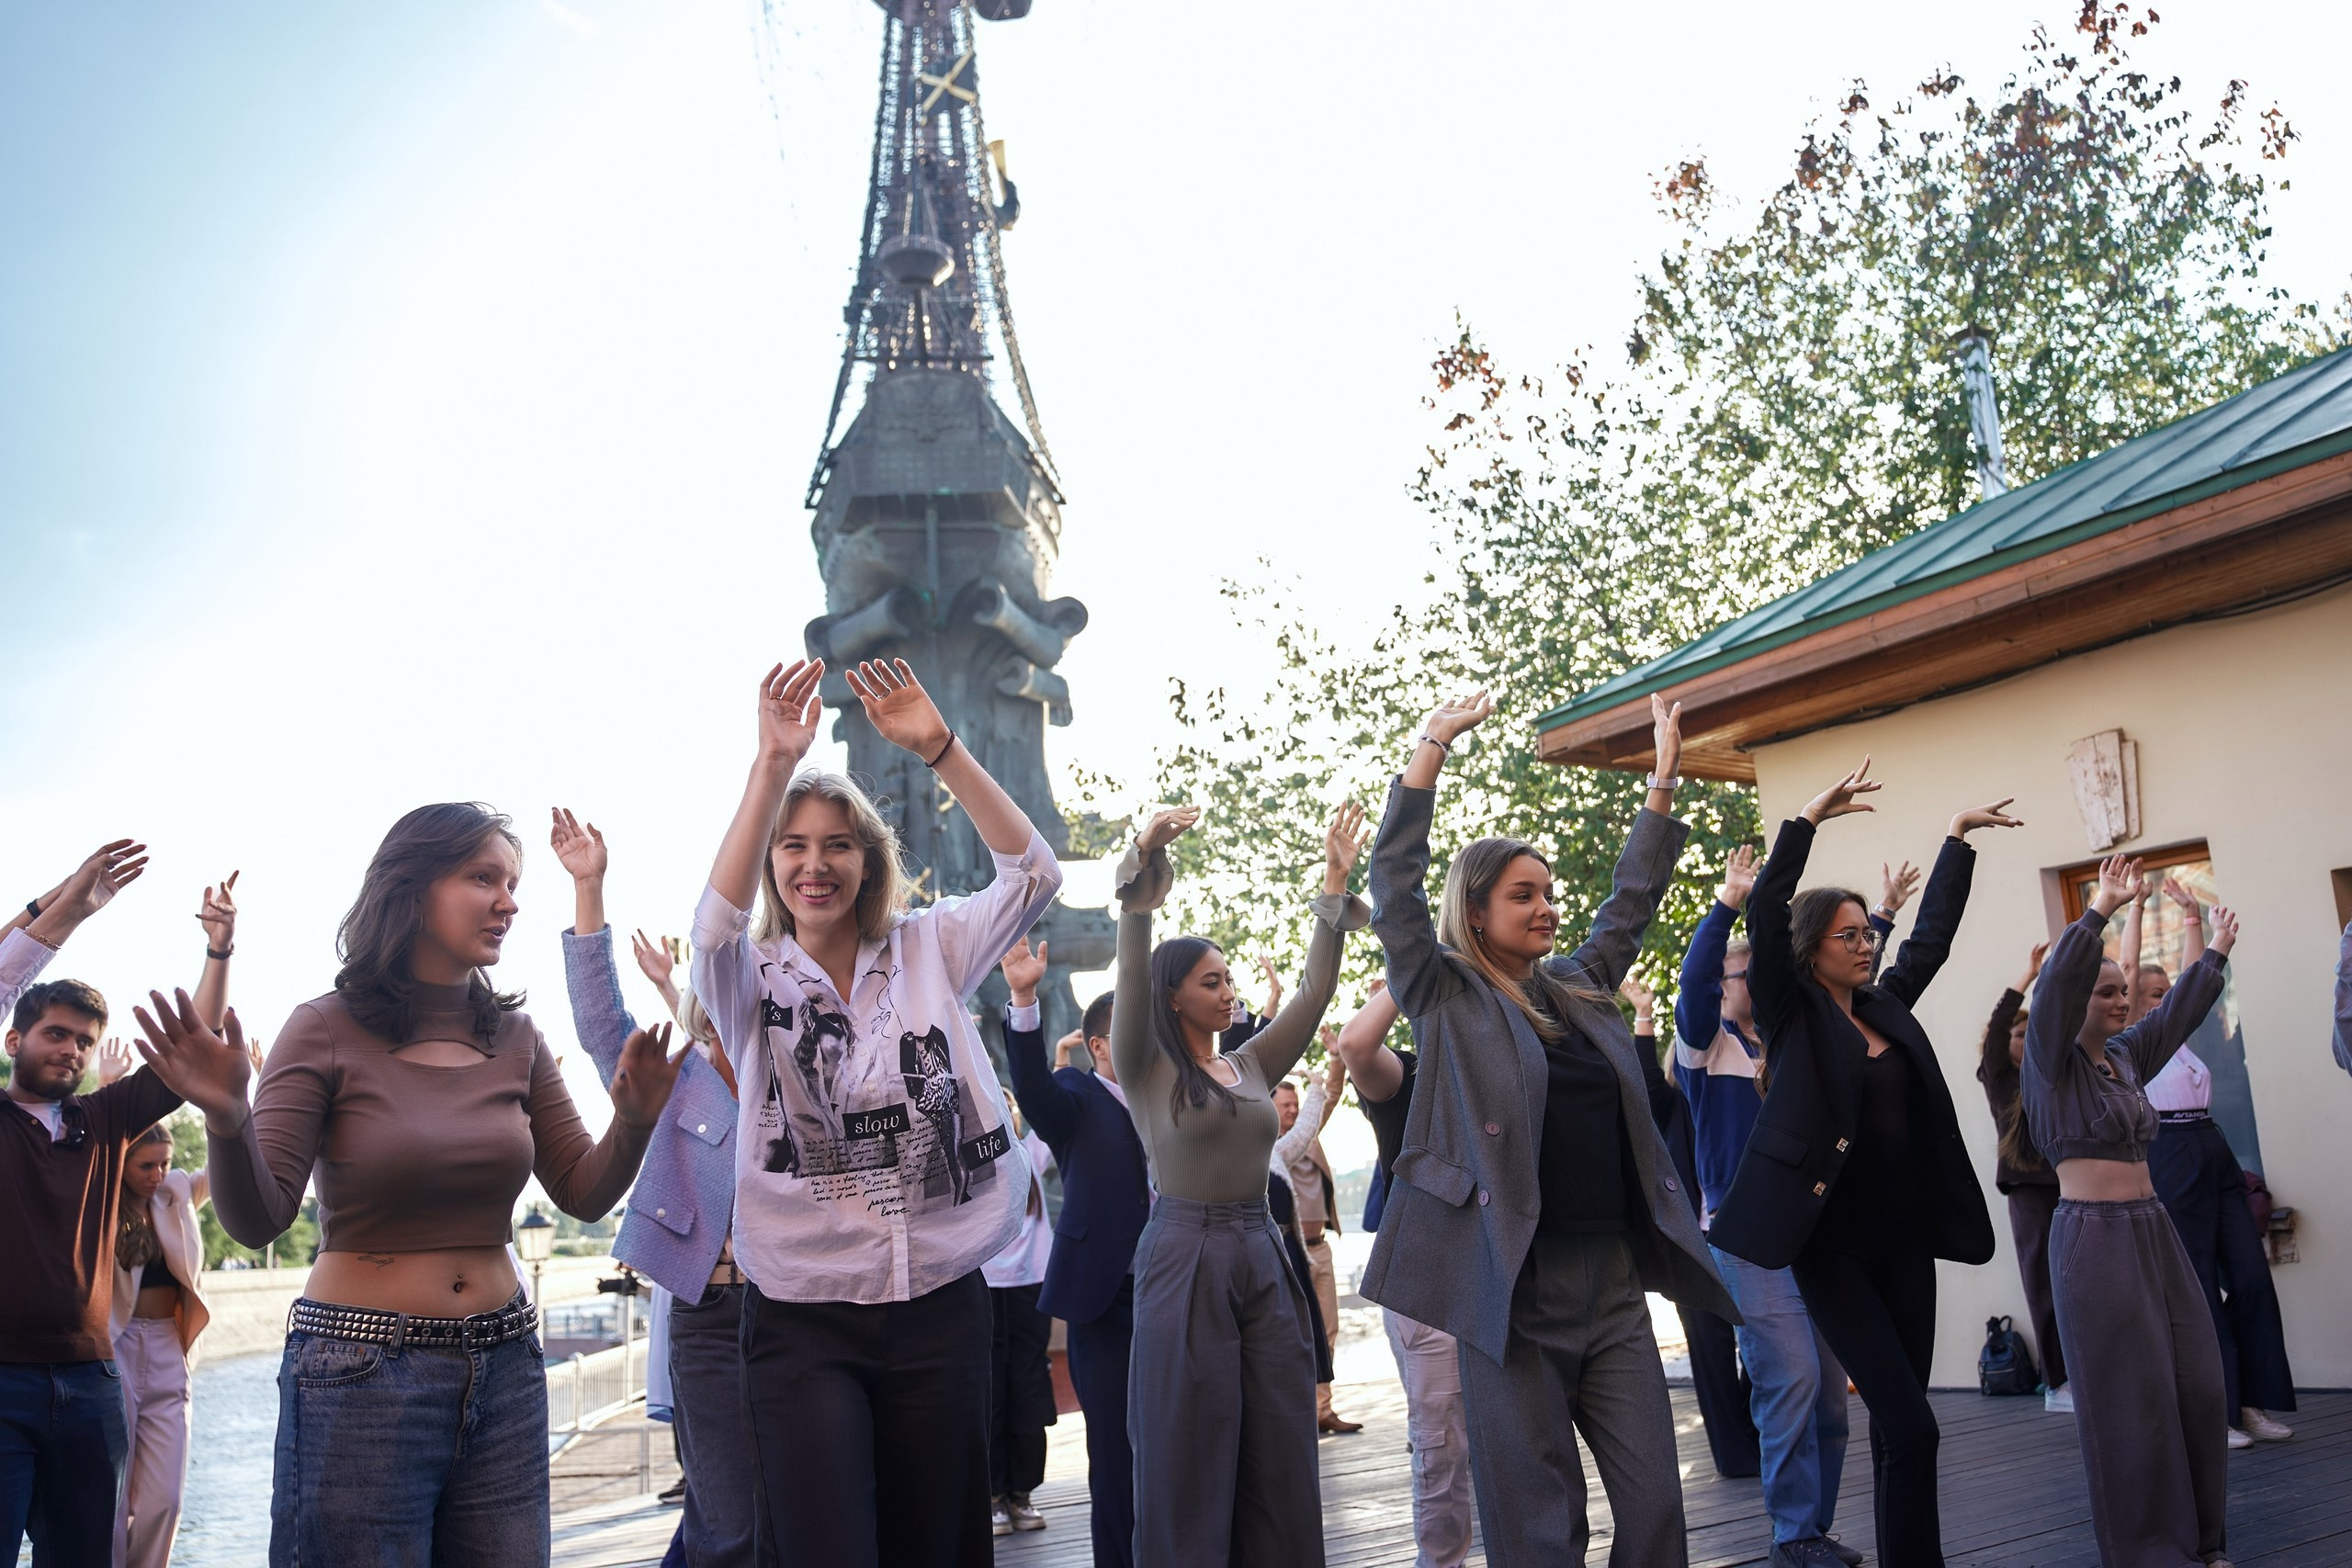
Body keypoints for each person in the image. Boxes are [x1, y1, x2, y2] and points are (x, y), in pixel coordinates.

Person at [134, 802, 684, 1568]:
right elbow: (259, 1219)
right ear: (412, 888)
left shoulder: (517, 1037)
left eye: (513, 883)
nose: (509, 901)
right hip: (360, 1376)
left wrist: (633, 1120)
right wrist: (228, 1116)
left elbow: (583, 1193)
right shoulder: (321, 1027)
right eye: (483, 878)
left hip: (506, 1368)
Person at [689, 658, 1061, 1568]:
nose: (815, 864)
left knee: (940, 1545)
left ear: (869, 860)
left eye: (838, 844)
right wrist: (772, 767)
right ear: (771, 865)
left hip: (939, 1300)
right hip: (803, 1314)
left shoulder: (932, 946)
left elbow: (1033, 875)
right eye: (793, 847)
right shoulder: (745, 980)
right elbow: (712, 928)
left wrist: (940, 747)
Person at [1362, 691, 1737, 1568]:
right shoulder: (1444, 996)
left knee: (1657, 1505)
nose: (1546, 908)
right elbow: (1394, 887)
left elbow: (1630, 903)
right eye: (1523, 894)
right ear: (1476, 910)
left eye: (1549, 894)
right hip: (1511, 1290)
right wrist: (1432, 745)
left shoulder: (1577, 985)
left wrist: (1664, 780)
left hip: (1611, 1284)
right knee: (1540, 1525)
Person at [1709, 759, 2012, 1568]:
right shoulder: (1792, 1015)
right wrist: (1806, 820)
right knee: (1915, 1425)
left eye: (1867, 933)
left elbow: (1931, 937)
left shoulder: (1885, 1004)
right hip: (1834, 1252)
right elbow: (1767, 909)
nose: (1866, 944)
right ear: (1812, 949)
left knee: (1899, 1429)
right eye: (1849, 935)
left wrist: (1956, 840)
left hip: (1906, 1243)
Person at [1111, 798, 1369, 1568]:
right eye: (1211, 981)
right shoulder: (1145, 1065)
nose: (1229, 992)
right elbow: (1133, 962)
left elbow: (1314, 992)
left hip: (1263, 1250)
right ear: (1174, 995)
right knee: (1187, 1457)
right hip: (1184, 1255)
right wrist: (1141, 872)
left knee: (1281, 1452)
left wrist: (1332, 882)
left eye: (1228, 979)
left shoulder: (1251, 1062)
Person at [549, 807, 768, 1568]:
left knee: (797, 1511)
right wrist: (589, 887)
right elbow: (599, 1022)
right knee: (729, 1517)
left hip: (800, 1312)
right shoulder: (678, 1078)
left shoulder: (797, 1068)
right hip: (709, 1316)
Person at [2023, 853, 2238, 1568]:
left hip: (2153, 1229)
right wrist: (2098, 912)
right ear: (2075, 997)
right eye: (2106, 991)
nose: (2120, 1001)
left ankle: (2204, 1540)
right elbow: (2055, 988)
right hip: (2094, 1240)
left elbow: (2174, 1013)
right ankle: (2151, 1552)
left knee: (2199, 1385)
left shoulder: (2124, 1055)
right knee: (2129, 1402)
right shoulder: (2050, 1065)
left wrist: (2214, 951)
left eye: (2124, 990)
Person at [1674, 847, 1854, 1568]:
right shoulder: (1703, 1048)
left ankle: (1816, 1529)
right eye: (1739, 971)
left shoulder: (1783, 1044)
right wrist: (1727, 905)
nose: (1750, 979)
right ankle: (1792, 1534)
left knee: (1833, 1396)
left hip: (1812, 1236)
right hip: (1745, 1240)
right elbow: (1693, 980)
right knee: (1792, 1379)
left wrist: (1881, 918)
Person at [0, 840, 162, 1567]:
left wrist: (218, 950)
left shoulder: (98, 1121)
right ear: (14, 1039)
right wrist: (64, 909)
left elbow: (189, 1059)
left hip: (91, 1383)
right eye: (54, 1033)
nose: (70, 1048)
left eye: (82, 1040)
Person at [1000, 951, 1148, 1568]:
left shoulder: (1172, 1096)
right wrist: (1024, 1000)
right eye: (1132, 1032)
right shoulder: (1075, 1095)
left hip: (1176, 1288)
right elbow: (1033, 1089)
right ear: (1098, 1045)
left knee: (1181, 1440)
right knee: (1114, 1449)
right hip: (1104, 1297)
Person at [2135, 889, 2296, 1450]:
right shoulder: (2131, 1047)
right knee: (2199, 1284)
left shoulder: (2176, 1039)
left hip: (2211, 1147)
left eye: (2167, 992)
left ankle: (2250, 1401)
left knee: (2251, 1278)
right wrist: (2136, 909)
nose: (2166, 998)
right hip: (2170, 1151)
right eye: (2154, 993)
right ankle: (2217, 1414)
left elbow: (2193, 984)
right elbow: (2146, 976)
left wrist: (2189, 920)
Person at [1331, 980, 1472, 1568]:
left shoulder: (1502, 1070)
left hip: (1503, 1278)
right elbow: (1355, 1045)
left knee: (1512, 1436)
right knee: (1442, 1443)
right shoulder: (1406, 1076)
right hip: (1426, 1288)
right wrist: (1408, 975)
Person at [1974, 942, 2070, 1415]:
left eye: (2031, 1031)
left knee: (2080, 1282)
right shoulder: (1999, 1076)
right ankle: (2057, 1383)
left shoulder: (2050, 1077)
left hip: (2072, 1184)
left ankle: (2088, 1374)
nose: (2025, 1038)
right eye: (2019, 1032)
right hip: (2030, 1189)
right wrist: (2027, 977)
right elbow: (1996, 1030)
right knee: (2044, 1284)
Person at [1272, 1048, 1361, 1434]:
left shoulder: (1306, 1139)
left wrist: (1335, 1059)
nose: (1293, 1110)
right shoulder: (1263, 1148)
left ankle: (1321, 1407)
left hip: (1319, 1248)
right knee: (1290, 1335)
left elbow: (1329, 1096)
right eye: (1285, 1105)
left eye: (1296, 1104)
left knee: (1326, 1331)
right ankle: (1296, 1411)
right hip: (1286, 1251)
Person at [980, 1103, 1057, 1540]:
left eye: (1008, 1107)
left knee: (1028, 1389)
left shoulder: (1030, 1152)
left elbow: (1047, 1100)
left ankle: (1022, 1493)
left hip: (1031, 1287)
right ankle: (993, 1495)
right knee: (990, 1393)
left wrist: (1061, 1063)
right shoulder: (971, 1155)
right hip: (986, 1287)